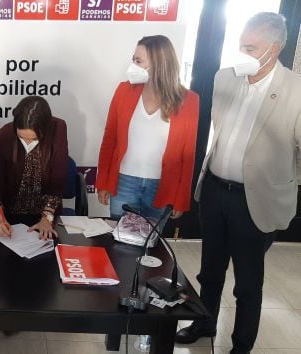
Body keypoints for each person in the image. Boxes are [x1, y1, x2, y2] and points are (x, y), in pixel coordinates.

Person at [176, 13, 301, 353]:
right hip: (216, 189)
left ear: (273, 50)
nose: (242, 53)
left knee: (247, 283)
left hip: (255, 200)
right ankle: (203, 323)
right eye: (241, 45)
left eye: (251, 47)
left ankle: (241, 345)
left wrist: (288, 179)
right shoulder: (225, 78)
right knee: (209, 272)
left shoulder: (296, 90)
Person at [96, 35, 199, 223]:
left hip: (161, 186)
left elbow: (188, 155)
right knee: (121, 242)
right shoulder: (123, 91)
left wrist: (180, 199)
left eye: (138, 61)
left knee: (151, 244)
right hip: (123, 182)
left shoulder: (189, 100)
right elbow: (109, 139)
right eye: (133, 59)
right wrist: (103, 182)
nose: (133, 65)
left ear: (158, 64)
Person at [0, 96, 68, 240]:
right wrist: (0, 219)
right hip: (11, 215)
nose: (27, 143)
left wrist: (47, 218)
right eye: (22, 137)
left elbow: (57, 181)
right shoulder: (3, 136)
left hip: (46, 213)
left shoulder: (57, 130)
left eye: (34, 139)